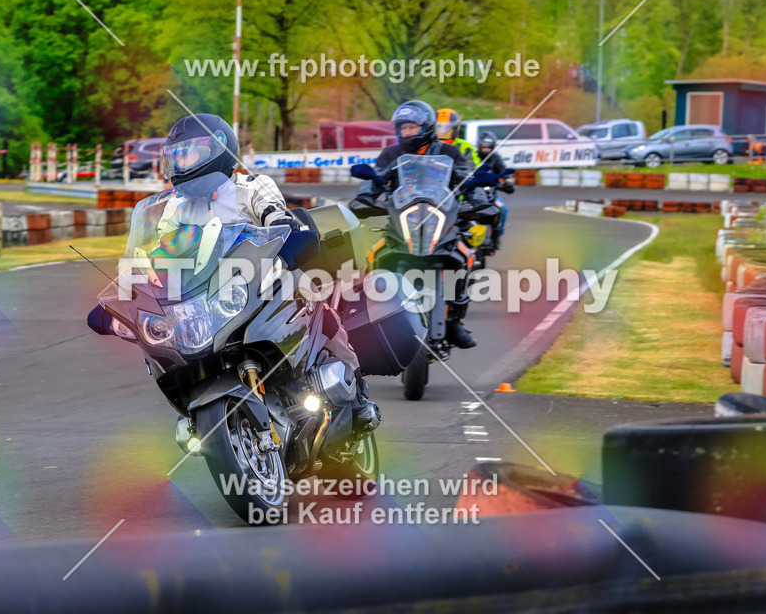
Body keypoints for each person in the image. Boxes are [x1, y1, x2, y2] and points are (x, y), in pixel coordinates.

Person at [157, 114, 381, 434]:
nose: (182, 163)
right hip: (211, 297)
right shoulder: (174, 208)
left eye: (191, 153)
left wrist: (286, 240)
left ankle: (357, 395)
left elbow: (279, 220)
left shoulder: (251, 187)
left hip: (266, 281)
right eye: (177, 156)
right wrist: (134, 283)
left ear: (218, 149)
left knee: (319, 311)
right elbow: (158, 253)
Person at [350, 100, 480, 349]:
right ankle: (376, 320)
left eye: (412, 127)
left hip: (440, 221)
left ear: (427, 126)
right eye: (403, 128)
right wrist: (364, 197)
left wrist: (479, 198)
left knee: (465, 257)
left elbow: (467, 179)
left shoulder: (449, 152)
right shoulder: (391, 154)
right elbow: (376, 178)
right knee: (373, 257)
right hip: (401, 223)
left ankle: (454, 321)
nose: (407, 132)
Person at [475, 131, 513, 253]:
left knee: (502, 209)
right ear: (479, 146)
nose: (486, 150)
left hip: (490, 193)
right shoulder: (473, 156)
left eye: (489, 148)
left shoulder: (496, 158)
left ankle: (496, 238)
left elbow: (504, 172)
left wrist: (508, 182)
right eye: (484, 147)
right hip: (473, 193)